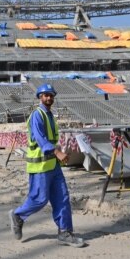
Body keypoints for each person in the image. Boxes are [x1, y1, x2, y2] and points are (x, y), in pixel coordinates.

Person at [9, 83, 85, 248]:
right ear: (39, 97)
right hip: (40, 166)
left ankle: (65, 232)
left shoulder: (50, 115)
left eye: (51, 95)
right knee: (40, 199)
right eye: (45, 95)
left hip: (53, 165)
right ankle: (18, 215)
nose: (49, 98)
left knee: (62, 198)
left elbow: (51, 140)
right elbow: (41, 139)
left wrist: (61, 152)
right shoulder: (38, 115)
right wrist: (57, 153)